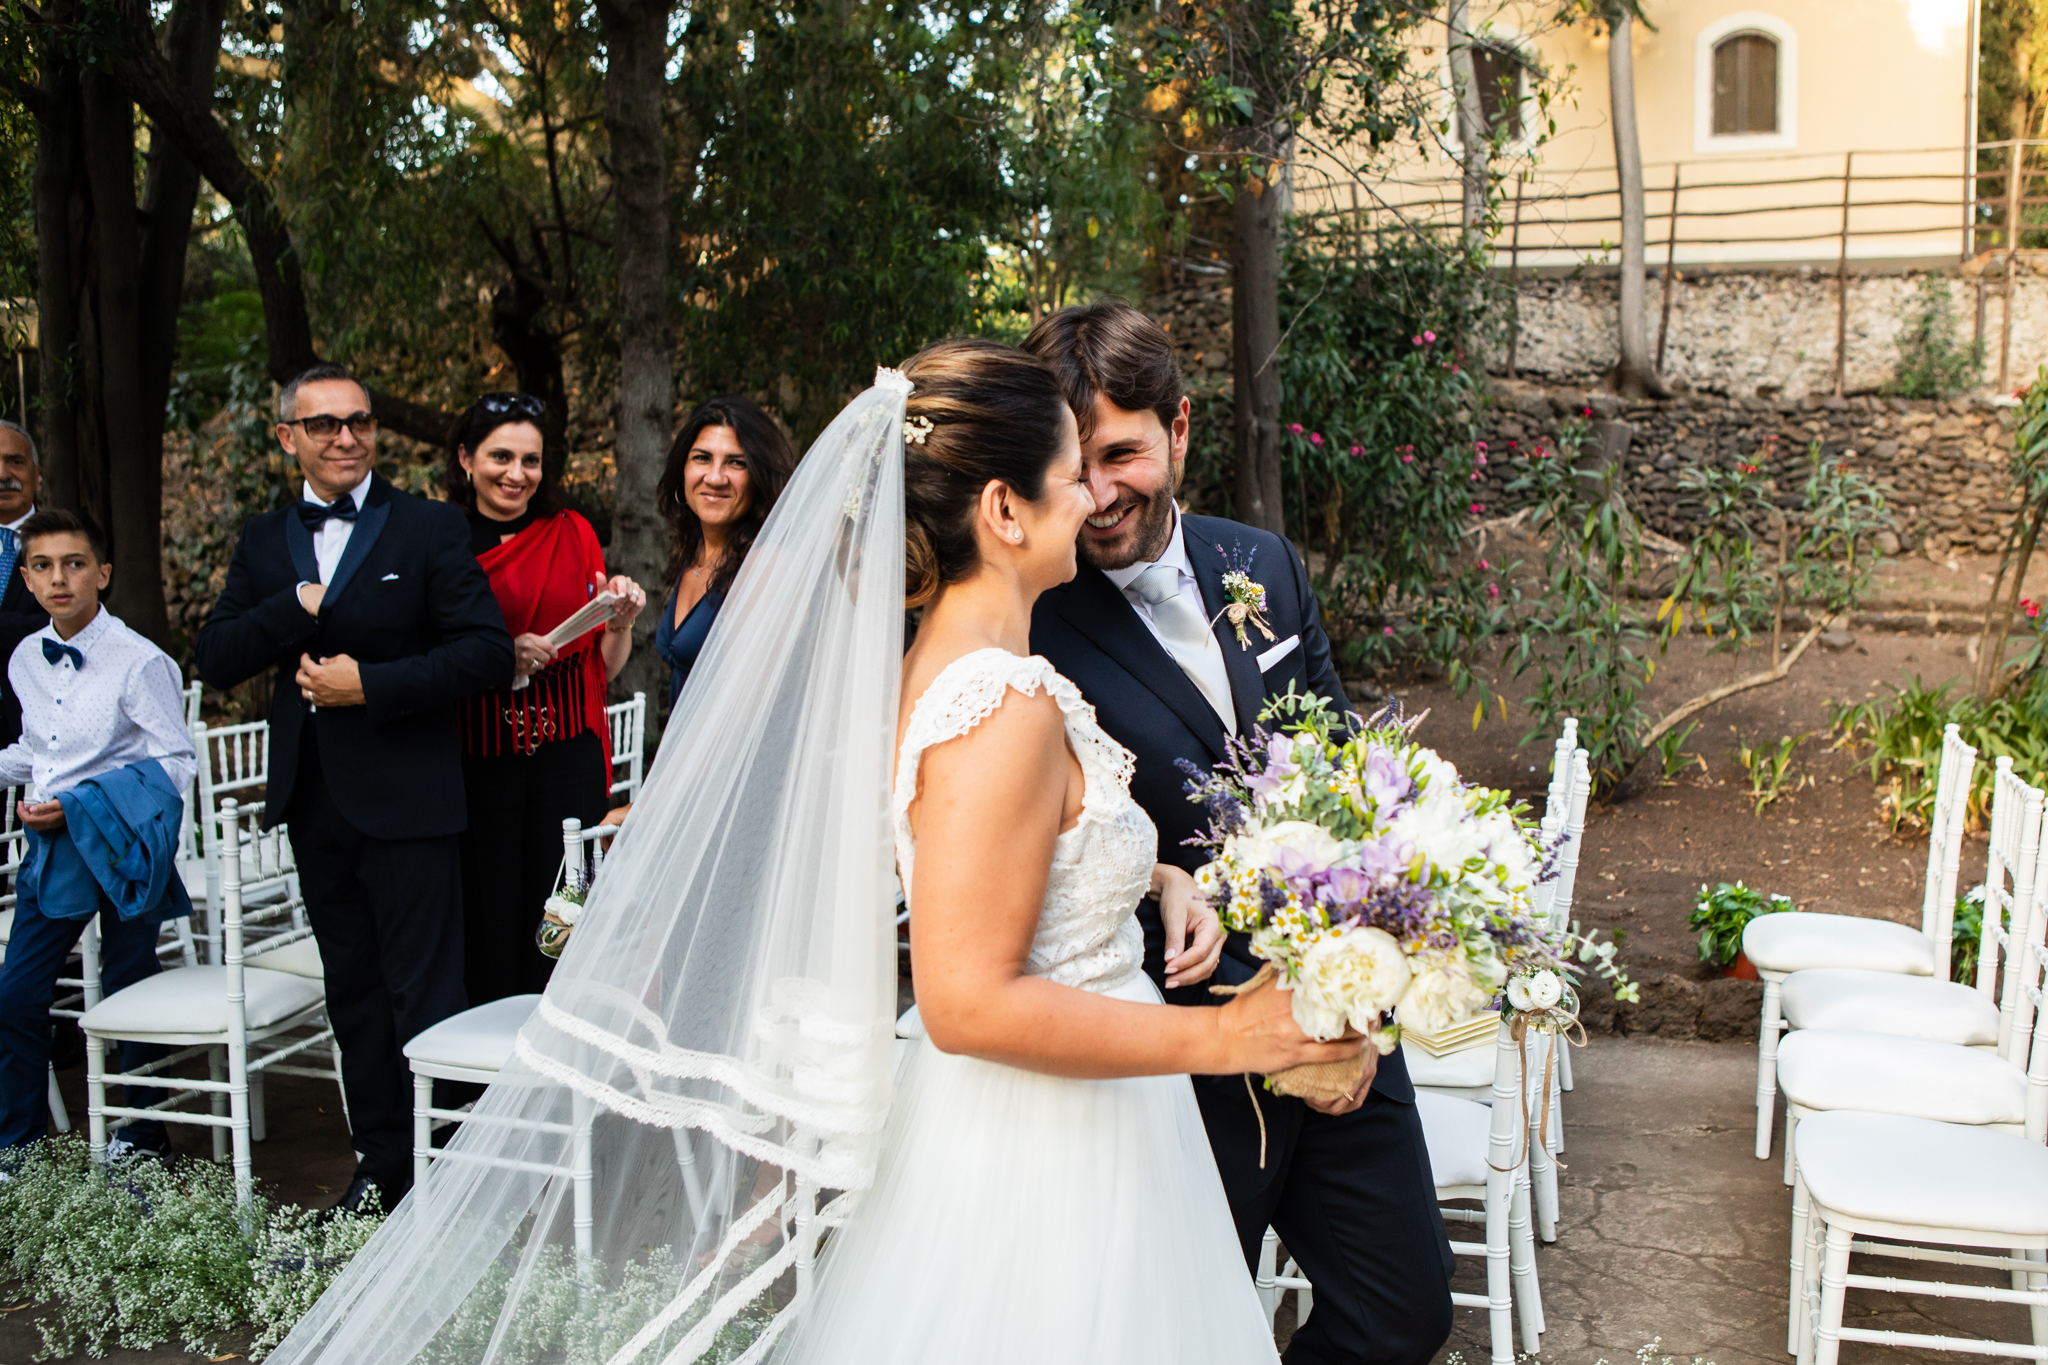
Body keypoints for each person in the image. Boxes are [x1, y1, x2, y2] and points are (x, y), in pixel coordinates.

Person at [258, 347, 1356, 1365]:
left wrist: (1146, 873)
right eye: (1070, 475)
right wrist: (1225, 1034)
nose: (1090, 497)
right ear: (1003, 509)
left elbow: (1008, 862)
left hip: (1087, 1128)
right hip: (1046, 1159)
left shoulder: (957, 669)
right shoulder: (998, 706)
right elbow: (969, 1000)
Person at [1024, 302, 1453, 1365]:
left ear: (1177, 431)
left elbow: (1341, 767)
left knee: (1402, 1312)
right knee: (1184, 1333)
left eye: (1121, 453)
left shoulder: (1258, 560)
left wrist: (1365, 979)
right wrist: (1164, 881)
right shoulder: (1029, 617)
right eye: (1076, 464)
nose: (1099, 492)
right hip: (1177, 1052)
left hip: (1336, 1017)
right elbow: (1032, 850)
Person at [195, 363, 513, 1216]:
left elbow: (485, 653)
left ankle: (450, 1172)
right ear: (288, 437)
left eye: (360, 421)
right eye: (325, 424)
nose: (346, 437)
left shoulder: (429, 528)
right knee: (354, 994)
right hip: (314, 803)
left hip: (411, 801)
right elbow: (218, 654)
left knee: (427, 993)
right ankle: (382, 1167)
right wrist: (293, 607)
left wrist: (370, 685)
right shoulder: (267, 539)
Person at [0, 510, 195, 1162]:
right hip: (52, 848)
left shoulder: (141, 662)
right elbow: (37, 749)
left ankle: (140, 1135)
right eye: (45, 565)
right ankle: (18, 1144)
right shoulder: (27, 656)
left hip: (121, 842)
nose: (60, 578)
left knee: (128, 984)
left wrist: (82, 802)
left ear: (102, 573)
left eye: (75, 563)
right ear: (26, 578)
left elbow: (175, 763)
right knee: (17, 993)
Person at [444, 392, 646, 1003]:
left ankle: (561, 1050)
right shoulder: (440, 540)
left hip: (566, 755)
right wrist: (496, 655)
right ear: (465, 459)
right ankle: (484, 1064)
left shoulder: (571, 530)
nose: (516, 473)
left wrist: (620, 624)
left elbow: (602, 668)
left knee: (565, 911)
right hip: (481, 754)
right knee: (491, 909)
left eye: (530, 460)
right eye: (500, 456)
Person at [652, 396, 793, 712]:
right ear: (682, 468)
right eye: (702, 458)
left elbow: (746, 711)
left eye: (736, 463)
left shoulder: (763, 565)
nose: (715, 478)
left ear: (759, 477)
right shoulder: (694, 552)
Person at [0, 422, 51, 746]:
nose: (3, 474)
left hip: (34, 726)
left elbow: (64, 623)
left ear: (37, 473)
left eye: (15, 462)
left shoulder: (63, 541)